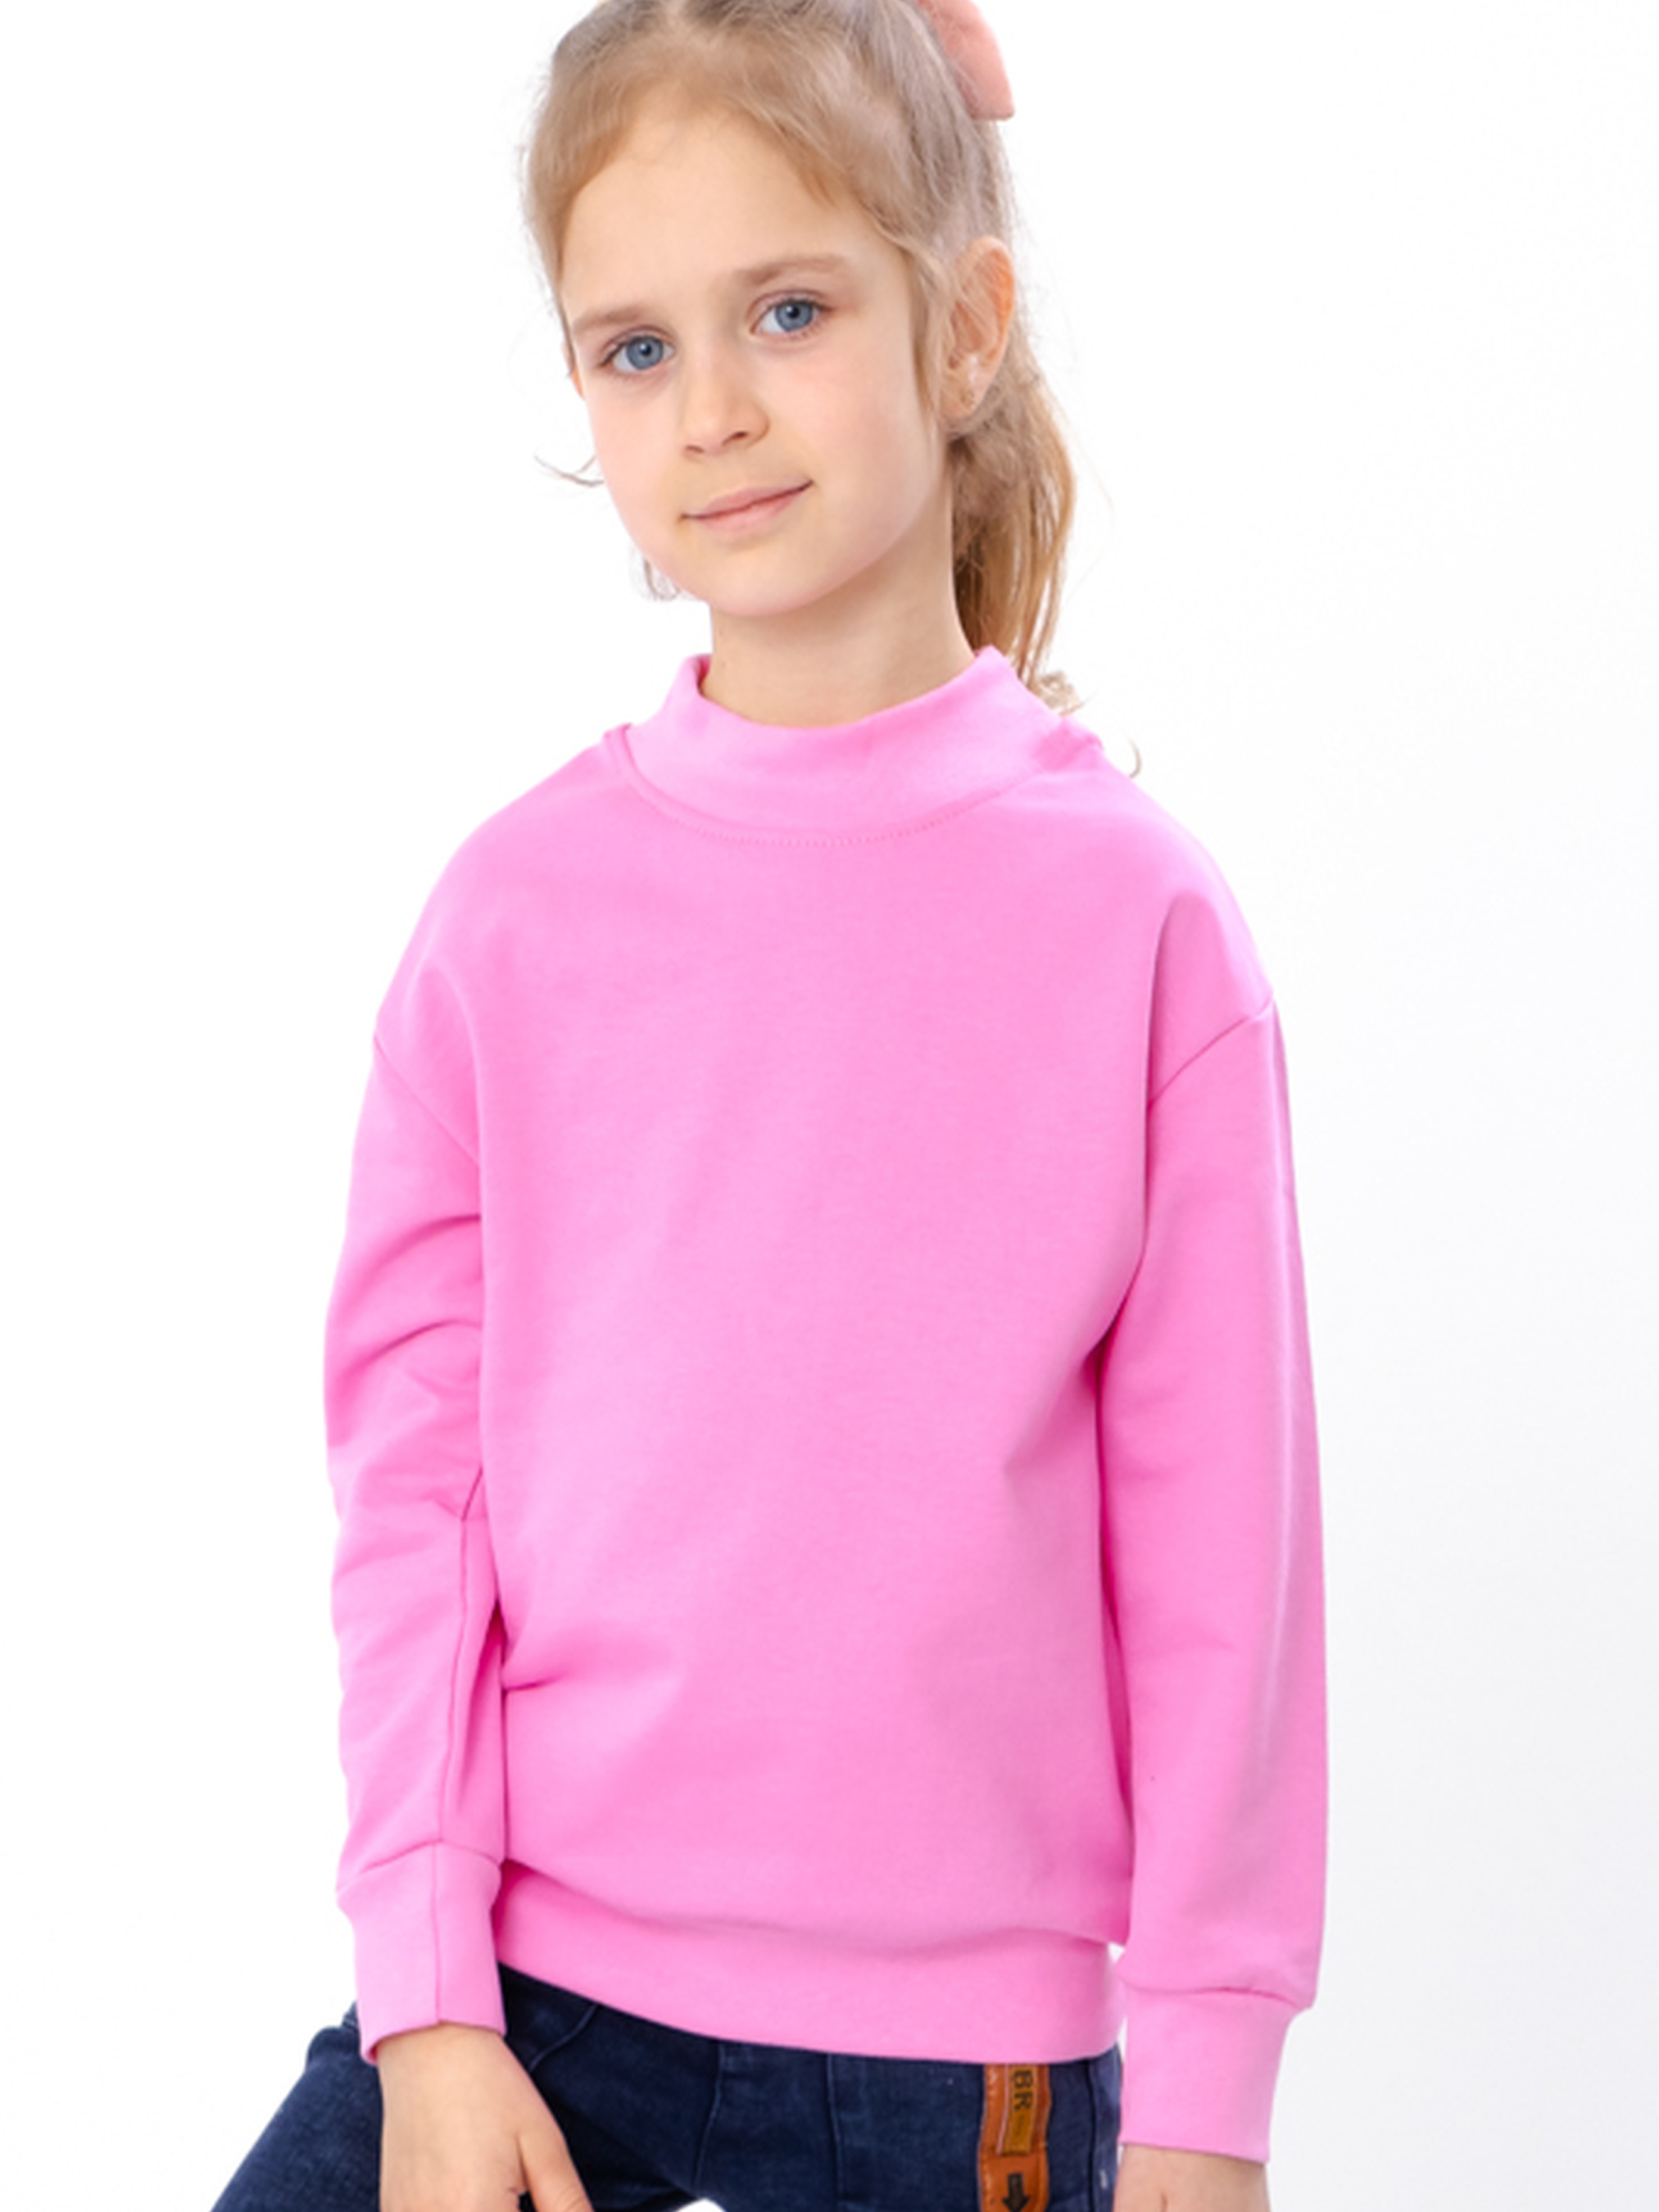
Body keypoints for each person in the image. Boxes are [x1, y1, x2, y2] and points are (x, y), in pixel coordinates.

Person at [211, 2, 1326, 2208]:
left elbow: (1226, 1569)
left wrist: (1205, 2107)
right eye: (634, 349)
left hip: (969, 2080)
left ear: (963, 328)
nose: (710, 406)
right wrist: (425, 2000)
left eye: (788, 312)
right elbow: (414, 1484)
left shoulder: (1138, 926)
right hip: (535, 2008)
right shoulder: (512, 919)